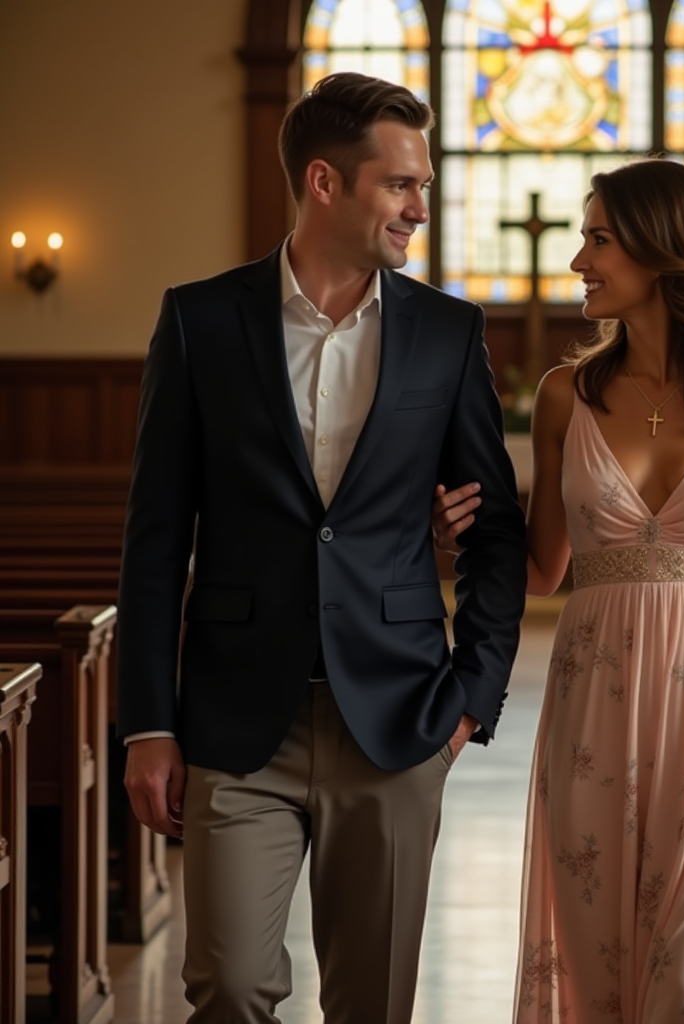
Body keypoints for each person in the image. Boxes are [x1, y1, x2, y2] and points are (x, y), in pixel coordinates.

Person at [117, 72, 527, 1024]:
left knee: (372, 1000)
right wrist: (148, 722)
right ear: (325, 183)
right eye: (401, 185)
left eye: (424, 186)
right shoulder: (200, 321)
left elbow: (496, 531)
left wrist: (473, 697)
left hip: (397, 717)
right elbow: (152, 540)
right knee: (227, 984)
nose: (420, 208)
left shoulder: (446, 331)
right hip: (235, 719)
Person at [434, 159, 684, 1022]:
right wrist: (450, 534)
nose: (580, 260)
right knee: (605, 980)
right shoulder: (562, 399)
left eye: (599, 239)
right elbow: (541, 571)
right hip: (596, 703)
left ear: (665, 252)